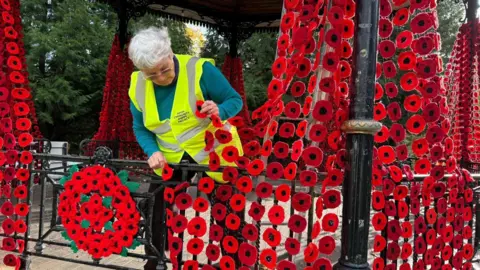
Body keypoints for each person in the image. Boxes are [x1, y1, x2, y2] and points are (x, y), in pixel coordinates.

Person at [127, 26, 244, 270]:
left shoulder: (200, 70)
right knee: (154, 208)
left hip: (214, 151)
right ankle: (155, 263)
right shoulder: (137, 84)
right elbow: (141, 128)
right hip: (170, 156)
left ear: (171, 53)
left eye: (164, 69)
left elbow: (235, 101)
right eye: (151, 74)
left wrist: (218, 111)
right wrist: (152, 151)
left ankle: (234, 263)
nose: (160, 77)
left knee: (228, 210)